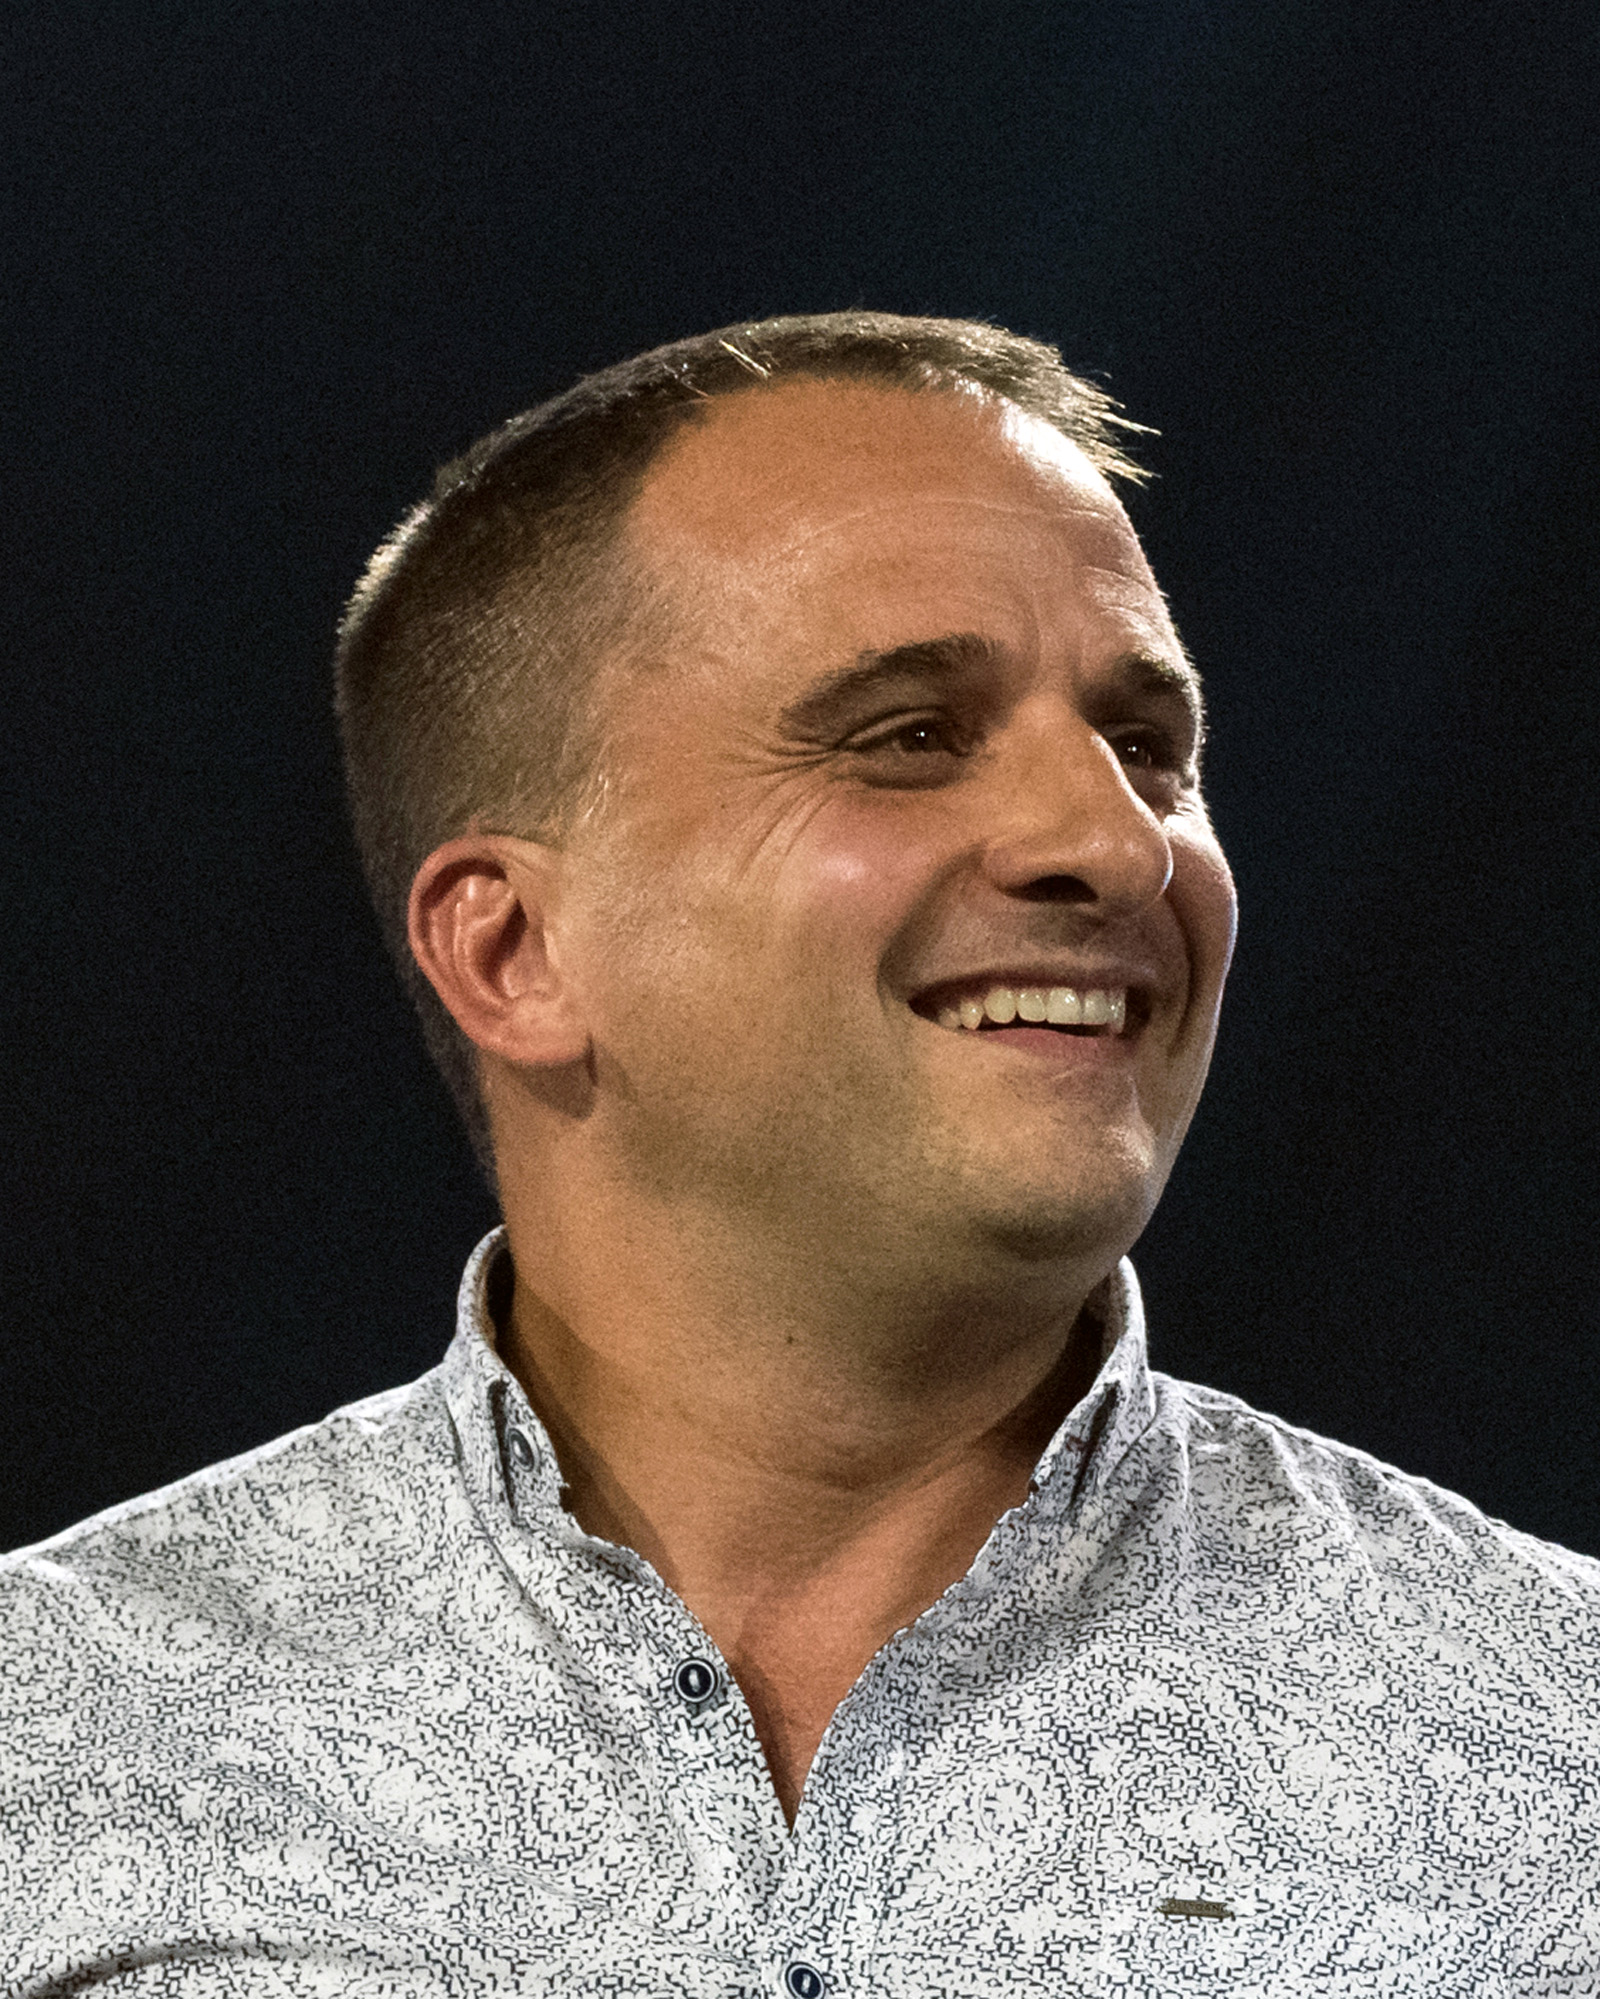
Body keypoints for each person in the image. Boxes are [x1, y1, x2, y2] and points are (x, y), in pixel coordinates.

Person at [2, 314, 1596, 1997]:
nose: (1117, 845)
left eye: (1149, 751)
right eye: (909, 735)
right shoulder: (54, 1731)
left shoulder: (1555, 1748)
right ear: (516, 952)